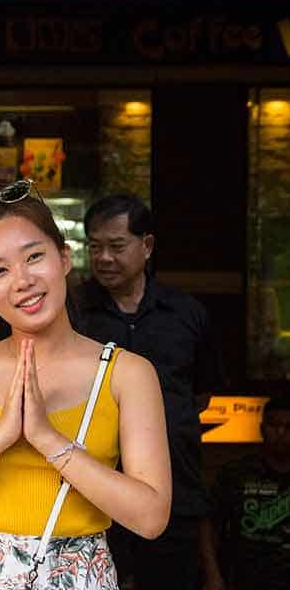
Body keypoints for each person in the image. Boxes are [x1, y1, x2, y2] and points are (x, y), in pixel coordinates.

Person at [0, 181, 171, 589]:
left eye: (34, 257)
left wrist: (47, 439)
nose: (22, 280)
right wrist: (1, 435)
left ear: (65, 258)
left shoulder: (128, 373)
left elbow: (151, 517)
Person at [73, 194, 225, 590]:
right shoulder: (73, 313)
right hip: (94, 491)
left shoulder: (186, 314)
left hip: (174, 488)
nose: (104, 257)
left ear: (147, 246)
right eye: (95, 247)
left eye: (117, 246)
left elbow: (201, 395)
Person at [200, 396, 290, 590]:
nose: (281, 433)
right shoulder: (237, 474)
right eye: (274, 425)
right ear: (262, 429)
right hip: (244, 578)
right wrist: (212, 575)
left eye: (288, 427)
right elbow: (208, 523)